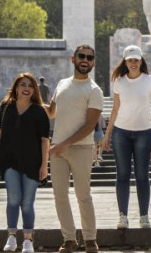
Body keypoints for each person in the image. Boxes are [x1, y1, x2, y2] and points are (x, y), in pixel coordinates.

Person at [0, 73, 50, 253]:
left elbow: (45, 140)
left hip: (32, 162)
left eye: (30, 86)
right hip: (9, 160)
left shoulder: (39, 111)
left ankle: (28, 240)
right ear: (16, 87)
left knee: (27, 202)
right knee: (13, 199)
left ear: (34, 90)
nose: (26, 88)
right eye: (23, 85)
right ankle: (11, 237)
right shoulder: (6, 107)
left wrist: (44, 166)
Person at [45, 45, 103, 253]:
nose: (85, 60)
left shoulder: (94, 90)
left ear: (93, 62)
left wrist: (64, 144)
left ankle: (90, 239)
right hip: (57, 150)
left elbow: (89, 126)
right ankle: (69, 239)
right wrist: (30, 100)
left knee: (83, 195)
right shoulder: (62, 84)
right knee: (60, 195)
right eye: (82, 56)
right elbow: (51, 113)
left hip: (81, 148)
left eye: (89, 57)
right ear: (73, 59)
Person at [103, 44, 151, 229]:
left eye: (136, 59)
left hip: (144, 132)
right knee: (123, 175)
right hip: (121, 133)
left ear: (141, 60)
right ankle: (123, 216)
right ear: (125, 62)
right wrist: (107, 135)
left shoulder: (150, 80)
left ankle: (144, 216)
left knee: (142, 175)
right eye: (130, 60)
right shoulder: (119, 81)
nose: (133, 63)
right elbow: (115, 109)